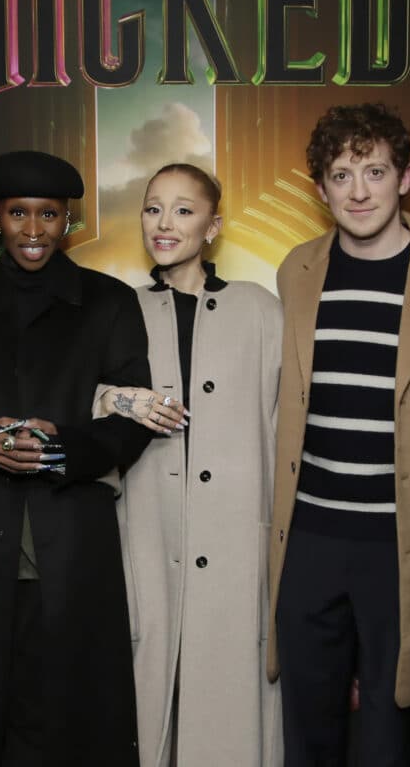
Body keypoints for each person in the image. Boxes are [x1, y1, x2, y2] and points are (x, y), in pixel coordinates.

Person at [268, 102, 410, 766]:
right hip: (307, 536)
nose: (359, 190)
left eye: (375, 170)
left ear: (405, 177)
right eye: (341, 175)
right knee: (307, 731)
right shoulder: (296, 270)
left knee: (386, 738)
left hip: (400, 546)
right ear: (320, 190)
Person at [0, 150, 152, 767]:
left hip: (74, 538)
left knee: (72, 716)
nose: (32, 229)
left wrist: (62, 449)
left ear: (67, 221)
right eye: (17, 213)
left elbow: (133, 417)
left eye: (48, 214)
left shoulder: (108, 304)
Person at [96, 163, 284, 767]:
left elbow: (286, 423)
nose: (165, 223)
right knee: (144, 692)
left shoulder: (260, 310)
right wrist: (121, 399)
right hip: (144, 532)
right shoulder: (117, 309)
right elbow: (80, 401)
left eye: (183, 209)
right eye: (153, 208)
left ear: (214, 225)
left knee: (228, 704)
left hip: (235, 543)